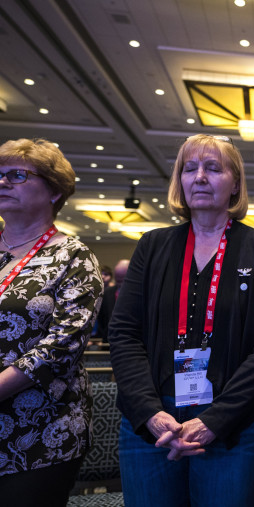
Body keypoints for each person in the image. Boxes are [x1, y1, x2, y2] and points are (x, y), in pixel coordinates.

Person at [108, 134, 254, 506]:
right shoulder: (152, 245)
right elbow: (124, 334)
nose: (200, 177)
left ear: (236, 183)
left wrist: (215, 421)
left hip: (234, 425)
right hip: (152, 426)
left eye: (213, 168)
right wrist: (151, 414)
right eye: (189, 169)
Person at [0, 138, 103, 506]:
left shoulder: (72, 256)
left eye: (16, 175)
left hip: (41, 431)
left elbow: (63, 345)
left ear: (54, 191)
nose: (2, 182)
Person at [93, 258, 129, 343]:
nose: (120, 285)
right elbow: (101, 319)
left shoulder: (139, 293)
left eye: (122, 280)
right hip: (108, 340)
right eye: (118, 280)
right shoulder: (107, 293)